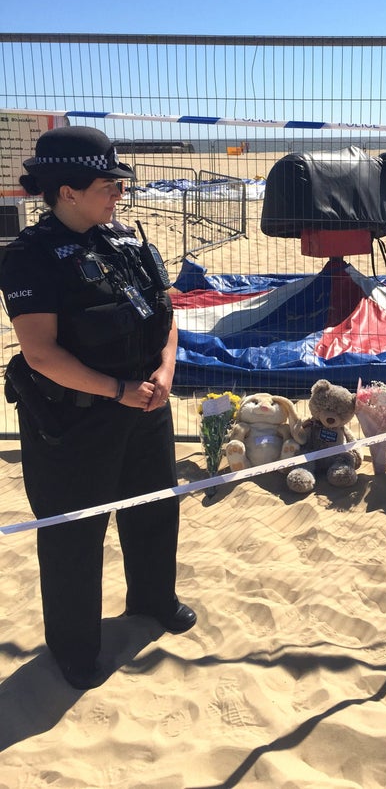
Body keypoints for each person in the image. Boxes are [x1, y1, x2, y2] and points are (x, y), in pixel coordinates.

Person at [0, 126, 196, 690]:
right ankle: (75, 647)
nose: (118, 192)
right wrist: (116, 391)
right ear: (66, 191)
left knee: (155, 510)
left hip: (145, 405)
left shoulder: (127, 243)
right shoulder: (30, 259)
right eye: (108, 183)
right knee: (73, 536)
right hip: (74, 421)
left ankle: (154, 599)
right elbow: (40, 354)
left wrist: (163, 373)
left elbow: (166, 314)